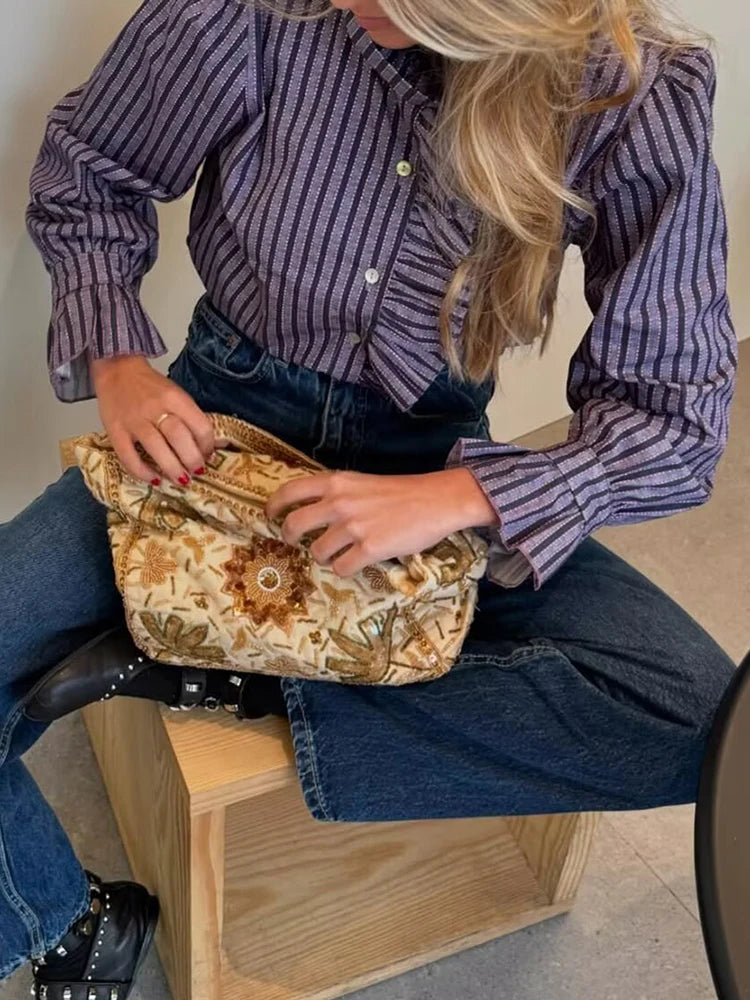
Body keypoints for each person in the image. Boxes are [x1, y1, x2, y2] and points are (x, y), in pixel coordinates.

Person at [0, 0, 738, 995]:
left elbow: (675, 417)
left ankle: (251, 666)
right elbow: (92, 170)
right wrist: (120, 360)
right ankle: (66, 928)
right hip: (215, 434)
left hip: (429, 462)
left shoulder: (629, 87)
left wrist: (458, 493)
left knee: (705, 724)